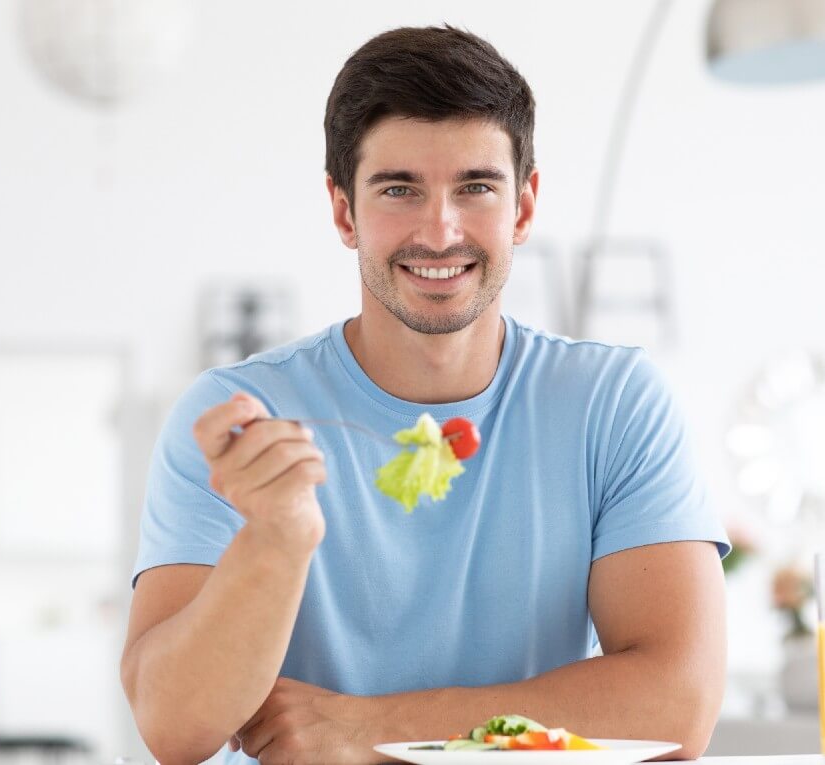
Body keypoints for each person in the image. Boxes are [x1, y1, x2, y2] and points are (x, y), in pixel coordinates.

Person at [120, 25, 728, 765]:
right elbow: (173, 729)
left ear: (523, 207)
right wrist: (275, 543)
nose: (439, 232)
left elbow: (677, 704)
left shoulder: (614, 403)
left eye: (476, 187)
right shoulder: (242, 415)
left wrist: (371, 728)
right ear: (344, 211)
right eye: (399, 189)